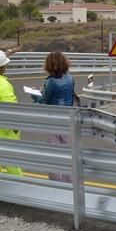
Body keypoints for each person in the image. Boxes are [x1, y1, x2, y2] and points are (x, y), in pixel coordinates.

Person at [32, 52, 76, 182]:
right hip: (68, 119)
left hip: (53, 120)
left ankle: (57, 183)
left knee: (54, 154)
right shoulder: (70, 78)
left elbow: (44, 102)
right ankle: (70, 182)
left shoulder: (51, 82)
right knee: (68, 153)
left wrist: (35, 94)